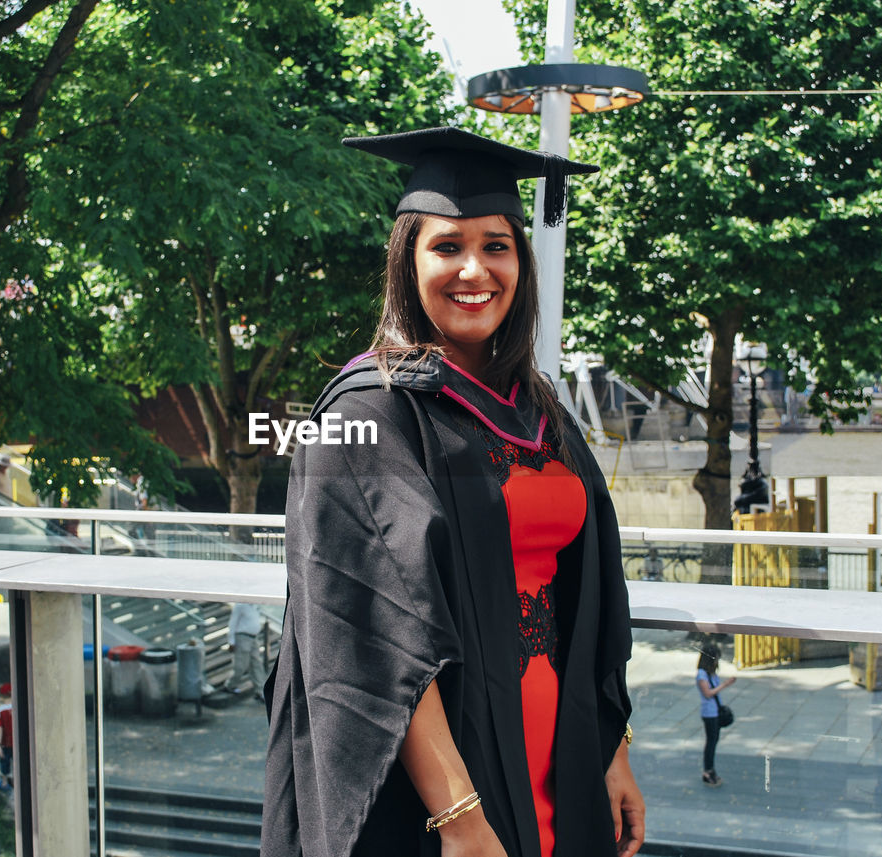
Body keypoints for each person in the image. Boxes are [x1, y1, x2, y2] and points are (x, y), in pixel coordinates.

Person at [262, 127, 643, 857]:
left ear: (520, 263)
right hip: (443, 779)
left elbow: (588, 591)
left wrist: (612, 744)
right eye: (447, 246)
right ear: (408, 260)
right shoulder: (360, 415)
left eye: (496, 245)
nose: (475, 268)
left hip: (559, 757)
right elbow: (370, 628)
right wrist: (459, 818)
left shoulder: (538, 409)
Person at [696, 643, 735, 787]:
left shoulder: (710, 672)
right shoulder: (702, 674)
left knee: (714, 741)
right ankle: (708, 771)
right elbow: (707, 693)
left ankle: (710, 770)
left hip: (715, 712)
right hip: (709, 713)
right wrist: (725, 684)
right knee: (711, 743)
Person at [222, 602, 265, 701]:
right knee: (241, 665)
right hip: (242, 637)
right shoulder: (240, 605)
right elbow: (232, 623)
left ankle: (260, 691)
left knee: (257, 664)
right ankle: (229, 685)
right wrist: (231, 641)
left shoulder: (255, 605)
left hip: (254, 638)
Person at [0, 682, 14, 790]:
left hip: (5, 743)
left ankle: (5, 782)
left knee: (4, 763)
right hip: (18, 742)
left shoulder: (0, 710)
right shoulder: (19, 707)